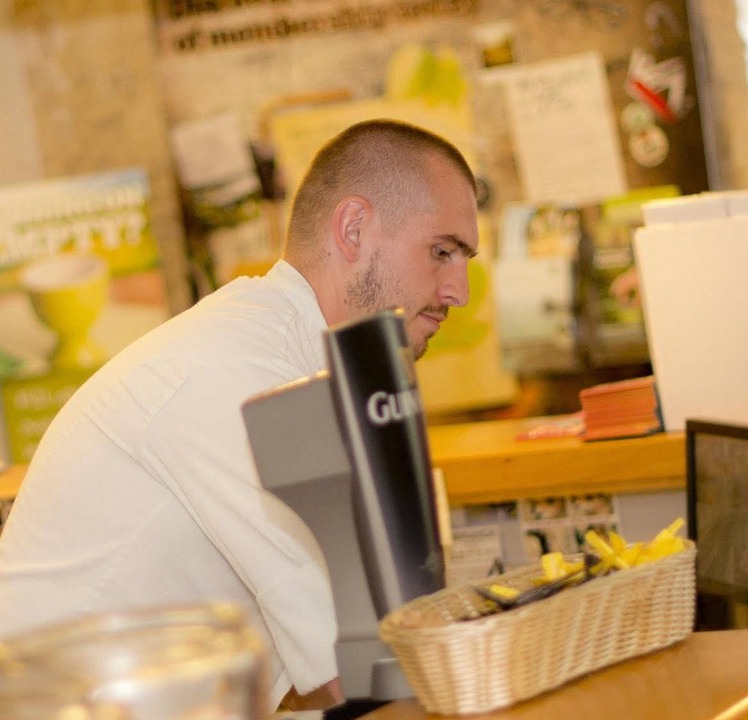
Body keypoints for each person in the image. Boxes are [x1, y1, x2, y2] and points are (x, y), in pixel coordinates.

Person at [0, 119, 479, 709]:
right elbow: (359, 668)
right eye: (442, 252)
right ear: (353, 228)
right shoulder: (240, 374)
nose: (459, 290)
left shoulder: (290, 361)